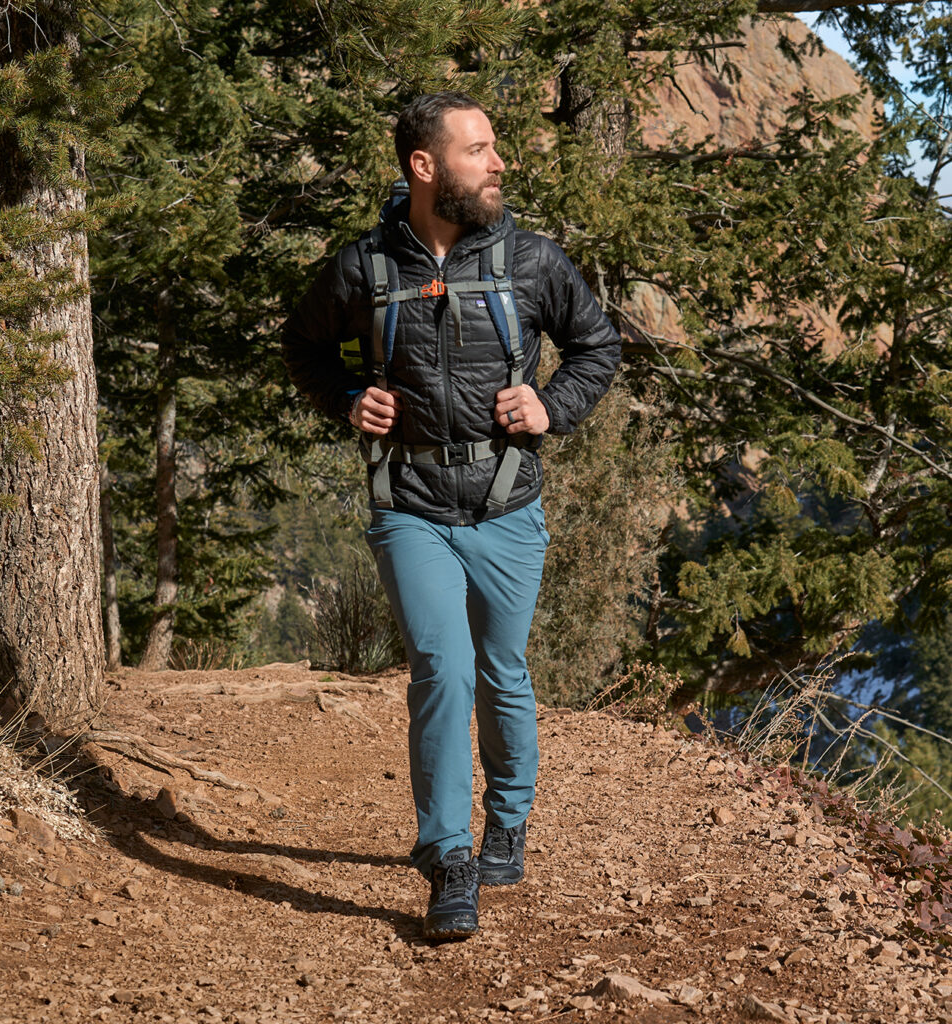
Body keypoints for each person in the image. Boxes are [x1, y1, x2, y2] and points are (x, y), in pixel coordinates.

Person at [281, 92, 619, 939]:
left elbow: (598, 345)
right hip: (411, 504)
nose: (499, 162)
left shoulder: (533, 262)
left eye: (495, 147)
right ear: (425, 168)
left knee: (502, 668)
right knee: (443, 665)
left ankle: (508, 823)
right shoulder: (364, 268)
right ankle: (448, 858)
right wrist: (349, 398)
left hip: (507, 502)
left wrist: (552, 408)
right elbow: (303, 346)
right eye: (480, 149)